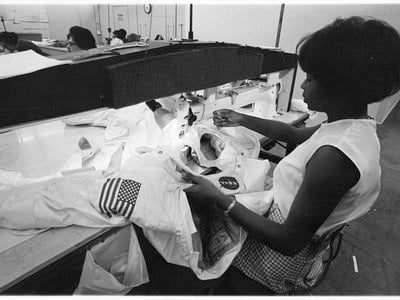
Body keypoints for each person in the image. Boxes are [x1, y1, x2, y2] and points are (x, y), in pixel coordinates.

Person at [180, 16, 400, 294]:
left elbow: (288, 242)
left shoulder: (334, 158)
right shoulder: (352, 126)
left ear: (339, 87)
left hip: (273, 262)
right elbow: (294, 136)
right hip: (291, 227)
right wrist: (242, 119)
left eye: (311, 79)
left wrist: (220, 199)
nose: (303, 86)